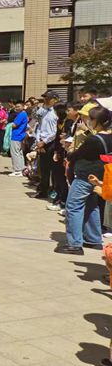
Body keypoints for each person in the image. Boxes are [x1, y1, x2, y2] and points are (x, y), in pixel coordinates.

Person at [54, 104, 112, 255]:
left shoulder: (94, 140)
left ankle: (74, 244)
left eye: (90, 118)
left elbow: (76, 155)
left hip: (85, 176)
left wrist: (68, 150)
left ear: (97, 121)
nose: (88, 121)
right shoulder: (108, 137)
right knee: (91, 206)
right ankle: (93, 239)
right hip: (98, 176)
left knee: (73, 206)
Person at [34, 90, 60, 199]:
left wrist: (44, 141)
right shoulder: (43, 110)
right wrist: (38, 140)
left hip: (51, 142)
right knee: (44, 169)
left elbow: (55, 131)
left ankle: (54, 190)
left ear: (55, 100)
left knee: (53, 169)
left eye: (48, 98)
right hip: (41, 142)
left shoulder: (56, 112)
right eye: (45, 98)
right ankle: (43, 190)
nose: (46, 100)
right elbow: (39, 125)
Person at [8, 101, 29, 176]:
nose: (17, 108)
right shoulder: (24, 114)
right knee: (19, 153)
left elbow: (15, 125)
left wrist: (9, 125)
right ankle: (21, 168)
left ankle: (17, 170)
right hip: (20, 135)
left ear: (23, 106)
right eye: (16, 107)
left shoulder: (21, 114)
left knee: (15, 153)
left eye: (19, 106)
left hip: (17, 135)